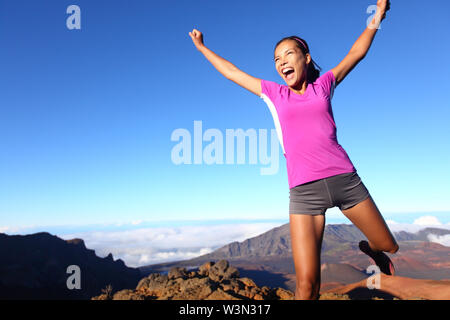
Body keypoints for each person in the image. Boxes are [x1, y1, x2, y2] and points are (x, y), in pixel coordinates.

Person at [189, 0, 398, 300]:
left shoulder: (324, 85)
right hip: (304, 194)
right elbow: (233, 72)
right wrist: (202, 48)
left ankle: (373, 251)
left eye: (289, 54)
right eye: (276, 58)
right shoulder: (274, 94)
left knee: (389, 246)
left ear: (306, 58)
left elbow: (356, 53)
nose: (282, 61)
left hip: (346, 181)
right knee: (306, 286)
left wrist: (377, 15)